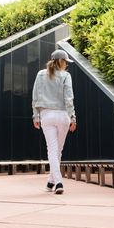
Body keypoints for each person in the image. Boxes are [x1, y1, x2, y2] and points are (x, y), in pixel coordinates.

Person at [32, 49, 76, 194]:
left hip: (46, 115)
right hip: (63, 115)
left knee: (52, 150)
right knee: (58, 151)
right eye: (66, 62)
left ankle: (52, 181)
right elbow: (69, 99)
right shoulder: (66, 76)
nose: (66, 65)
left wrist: (35, 116)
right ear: (61, 61)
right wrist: (73, 117)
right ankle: (58, 182)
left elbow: (35, 97)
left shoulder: (40, 74)